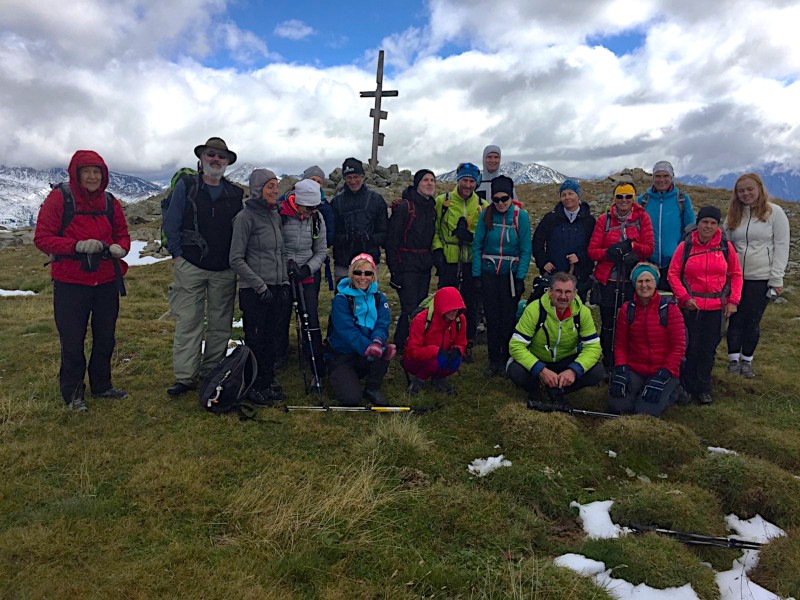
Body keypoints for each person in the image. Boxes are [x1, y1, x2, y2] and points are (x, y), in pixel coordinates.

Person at [33, 150, 131, 411]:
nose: (92, 176)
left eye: (97, 171)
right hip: (70, 283)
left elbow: (122, 234)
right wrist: (76, 246)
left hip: (106, 280)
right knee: (72, 339)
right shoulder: (60, 199)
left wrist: (121, 248)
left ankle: (102, 385)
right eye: (86, 171)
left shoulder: (110, 202)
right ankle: (73, 393)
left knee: (105, 337)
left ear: (104, 175)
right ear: (76, 174)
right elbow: (42, 238)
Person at [163, 137, 244, 397]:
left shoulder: (235, 193)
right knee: (189, 321)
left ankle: (212, 371)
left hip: (224, 268)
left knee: (220, 324)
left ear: (227, 162)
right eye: (211, 155)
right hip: (190, 265)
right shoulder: (186, 187)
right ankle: (185, 377)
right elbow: (172, 221)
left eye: (221, 157)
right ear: (201, 158)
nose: (216, 160)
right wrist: (177, 255)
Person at [667, 206, 743, 405]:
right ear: (697, 224)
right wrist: (683, 298)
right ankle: (686, 386)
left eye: (713, 223)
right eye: (704, 222)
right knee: (689, 347)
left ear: (718, 225)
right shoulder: (686, 246)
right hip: (691, 307)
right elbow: (673, 274)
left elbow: (736, 275)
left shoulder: (726, 247)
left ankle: (703, 388)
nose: (708, 226)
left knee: (708, 349)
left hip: (717, 307)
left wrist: (733, 301)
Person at [229, 169, 290, 405]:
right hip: (254, 291)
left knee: (272, 338)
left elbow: (281, 252)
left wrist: (283, 283)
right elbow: (235, 259)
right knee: (256, 339)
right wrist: (260, 286)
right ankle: (253, 386)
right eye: (270, 186)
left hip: (275, 288)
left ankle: (267, 381)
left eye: (276, 185)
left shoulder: (275, 215)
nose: (276, 191)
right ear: (257, 189)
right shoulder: (245, 218)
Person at [724, 173, 790, 378]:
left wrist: (776, 278)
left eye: (749, 189)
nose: (746, 194)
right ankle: (733, 360)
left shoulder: (775, 213)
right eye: (741, 190)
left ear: (759, 189)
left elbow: (781, 246)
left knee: (752, 321)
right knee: (734, 319)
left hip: (761, 278)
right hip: (736, 278)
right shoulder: (733, 215)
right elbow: (725, 244)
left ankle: (747, 361)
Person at [507, 272, 604, 405]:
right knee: (515, 370)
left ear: (575, 293)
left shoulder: (583, 313)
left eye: (568, 292)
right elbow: (516, 345)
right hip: (538, 358)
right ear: (550, 292)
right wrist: (540, 369)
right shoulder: (534, 309)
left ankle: (559, 389)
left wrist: (574, 370)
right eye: (558, 291)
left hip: (566, 361)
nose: (563, 297)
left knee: (597, 372)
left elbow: (593, 347)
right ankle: (536, 389)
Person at [587, 182, 654, 369]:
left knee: (632, 323)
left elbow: (649, 248)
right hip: (607, 281)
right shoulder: (604, 220)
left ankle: (628, 363)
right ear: (614, 199)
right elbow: (592, 251)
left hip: (633, 282)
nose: (623, 200)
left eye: (628, 196)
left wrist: (631, 247)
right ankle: (608, 362)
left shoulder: (642, 219)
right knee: (608, 324)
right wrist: (610, 253)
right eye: (620, 196)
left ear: (634, 199)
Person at [274, 166, 335, 369]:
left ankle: (314, 356)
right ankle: (278, 354)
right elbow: (272, 246)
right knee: (280, 315)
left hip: (307, 274)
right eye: (308, 208)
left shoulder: (317, 218)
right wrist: (286, 267)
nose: (311, 213)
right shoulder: (279, 214)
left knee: (310, 314)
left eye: (314, 208)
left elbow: (321, 250)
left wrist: (308, 269)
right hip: (281, 273)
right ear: (296, 201)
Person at [472, 175, 532, 375]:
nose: (500, 203)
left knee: (508, 318)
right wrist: (477, 276)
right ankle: (493, 360)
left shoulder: (520, 216)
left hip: (510, 278)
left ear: (511, 196)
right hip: (489, 275)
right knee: (492, 317)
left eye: (504, 198)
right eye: (496, 199)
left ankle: (506, 357)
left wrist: (520, 277)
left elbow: (525, 249)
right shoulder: (486, 214)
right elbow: (477, 245)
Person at [608, 263, 686, 416]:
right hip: (635, 369)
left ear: (655, 283)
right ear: (634, 284)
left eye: (648, 281)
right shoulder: (627, 309)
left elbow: (678, 347)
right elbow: (620, 345)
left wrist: (663, 374)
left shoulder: (670, 309)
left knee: (645, 412)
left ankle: (674, 390)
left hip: (663, 370)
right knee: (617, 406)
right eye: (640, 281)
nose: (644, 285)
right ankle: (640, 388)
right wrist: (621, 369)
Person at [432, 162, 486, 362]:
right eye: (465, 180)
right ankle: (442, 341)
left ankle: (466, 343)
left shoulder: (482, 205)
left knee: (469, 305)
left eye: (472, 181)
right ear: (458, 180)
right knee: (446, 304)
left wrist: (472, 237)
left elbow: (486, 235)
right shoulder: (443, 202)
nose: (468, 185)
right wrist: (438, 252)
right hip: (448, 261)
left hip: (471, 261)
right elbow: (435, 229)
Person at [326, 253, 396, 406]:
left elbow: (382, 324)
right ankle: (339, 375)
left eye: (368, 273)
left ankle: (372, 387)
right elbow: (347, 332)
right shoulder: (341, 300)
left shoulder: (379, 298)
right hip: (344, 354)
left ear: (373, 276)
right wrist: (369, 347)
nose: (362, 277)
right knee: (351, 399)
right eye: (358, 273)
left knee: (385, 348)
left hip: (367, 352)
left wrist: (377, 342)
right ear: (351, 274)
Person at [386, 169, 437, 354]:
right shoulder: (405, 208)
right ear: (417, 184)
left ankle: (412, 344)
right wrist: (395, 271)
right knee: (409, 308)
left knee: (420, 307)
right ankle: (401, 346)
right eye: (425, 180)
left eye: (432, 180)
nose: (430, 183)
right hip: (406, 265)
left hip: (424, 265)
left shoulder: (432, 208)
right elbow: (392, 241)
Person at [532, 179, 596, 301]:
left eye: (571, 193)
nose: (567, 198)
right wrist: (543, 262)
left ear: (578, 195)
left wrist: (580, 257)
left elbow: (593, 246)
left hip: (579, 276)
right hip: (554, 274)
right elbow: (537, 241)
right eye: (563, 195)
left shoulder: (589, 221)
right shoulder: (551, 218)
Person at [637, 161, 695, 289]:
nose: (661, 180)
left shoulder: (682, 199)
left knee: (671, 303)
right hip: (647, 261)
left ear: (671, 177)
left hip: (674, 262)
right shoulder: (643, 200)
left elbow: (690, 229)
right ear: (653, 178)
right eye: (658, 176)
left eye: (665, 176)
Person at [330, 157, 388, 281]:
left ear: (363, 176)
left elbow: (384, 232)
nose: (353, 181)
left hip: (369, 262)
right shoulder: (336, 202)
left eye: (356, 177)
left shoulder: (377, 200)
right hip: (344, 263)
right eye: (349, 177)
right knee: (344, 299)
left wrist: (370, 238)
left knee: (368, 299)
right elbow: (331, 234)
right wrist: (346, 238)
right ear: (344, 179)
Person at [404, 287, 467, 395]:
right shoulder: (421, 320)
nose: (454, 312)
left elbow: (461, 342)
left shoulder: (459, 320)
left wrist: (458, 350)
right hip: (415, 360)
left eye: (457, 309)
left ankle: (439, 378)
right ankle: (419, 379)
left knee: (456, 360)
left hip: (441, 357)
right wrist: (436, 351)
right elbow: (413, 351)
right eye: (451, 308)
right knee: (437, 361)